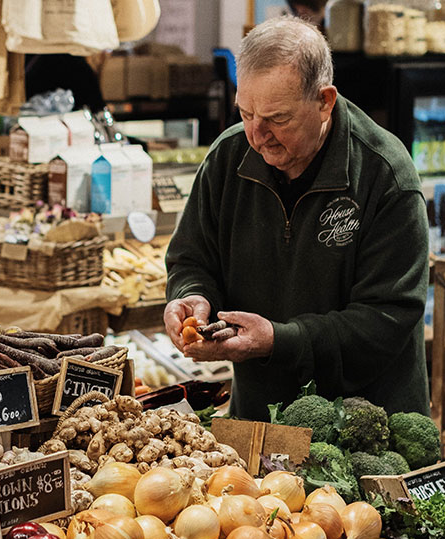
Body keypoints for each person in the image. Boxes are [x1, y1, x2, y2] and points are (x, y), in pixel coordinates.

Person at [163, 16, 430, 420]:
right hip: (259, 417)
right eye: (246, 113)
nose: (257, 135)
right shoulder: (227, 158)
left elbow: (386, 318)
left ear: (325, 101)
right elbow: (192, 260)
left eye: (278, 118)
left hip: (368, 424)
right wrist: (192, 296)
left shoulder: (385, 174)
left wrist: (279, 341)